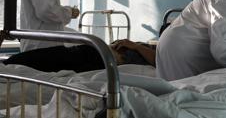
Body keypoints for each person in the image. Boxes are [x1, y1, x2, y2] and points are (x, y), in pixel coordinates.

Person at [3, 39, 156, 73]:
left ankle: (9, 67)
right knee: (54, 55)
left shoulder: (160, 55)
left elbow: (157, 60)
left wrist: (135, 46)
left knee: (56, 61)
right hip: (98, 51)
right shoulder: (155, 46)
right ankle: (9, 65)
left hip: (103, 60)